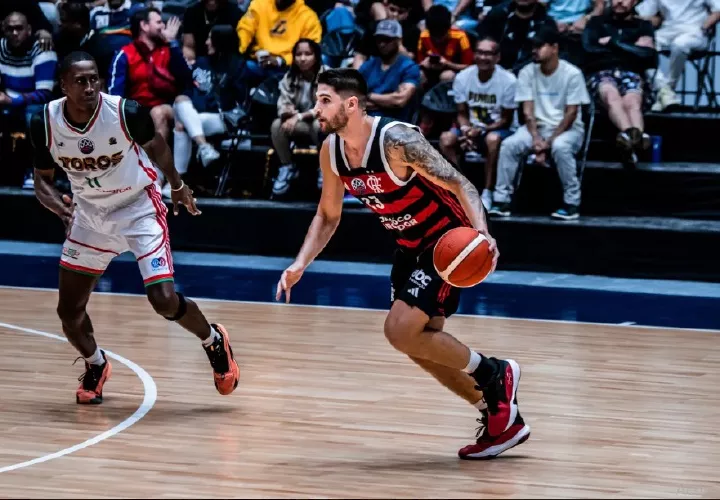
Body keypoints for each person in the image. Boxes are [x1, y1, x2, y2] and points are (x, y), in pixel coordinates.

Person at [276, 68, 530, 459]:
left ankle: (496, 372)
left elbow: (462, 183)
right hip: (409, 248)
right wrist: (300, 263)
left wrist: (483, 234)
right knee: (419, 346)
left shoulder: (396, 140)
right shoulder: (332, 151)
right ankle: (498, 415)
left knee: (399, 331)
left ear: (351, 103)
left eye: (324, 100)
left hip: (447, 245)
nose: (316, 109)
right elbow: (328, 215)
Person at [30, 51, 240, 405]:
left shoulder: (124, 111)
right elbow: (42, 181)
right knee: (69, 311)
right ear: (63, 85)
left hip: (138, 207)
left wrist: (176, 184)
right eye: (80, 81)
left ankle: (213, 340)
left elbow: (156, 144)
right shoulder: (45, 122)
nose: (90, 87)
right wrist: (59, 209)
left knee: (163, 301)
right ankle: (96, 365)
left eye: (94, 78)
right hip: (89, 216)